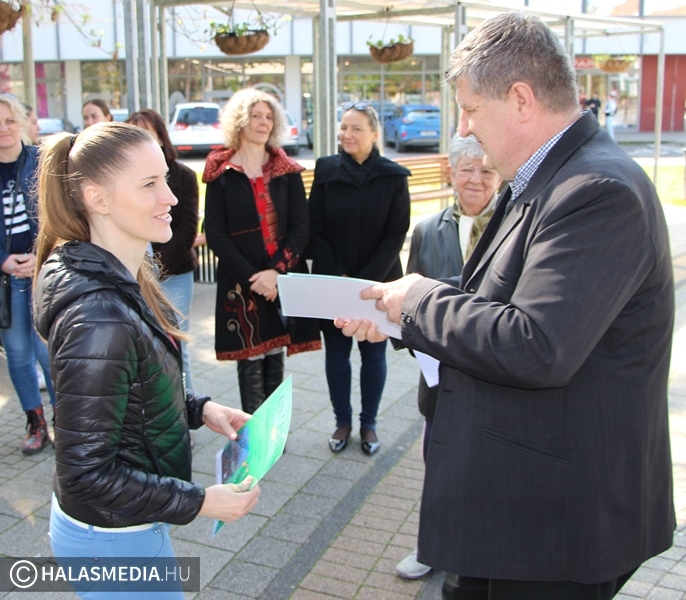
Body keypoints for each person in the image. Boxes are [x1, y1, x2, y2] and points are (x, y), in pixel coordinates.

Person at [336, 12, 674, 600]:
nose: (463, 126)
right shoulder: (550, 175)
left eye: (470, 109)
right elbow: (497, 296)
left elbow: (536, 344)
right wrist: (400, 313)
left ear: (520, 99)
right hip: (519, 508)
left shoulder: (597, 191)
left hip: (556, 528)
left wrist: (419, 300)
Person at [32, 122, 260, 598]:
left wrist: (198, 408)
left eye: (166, 179)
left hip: (120, 529)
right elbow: (85, 474)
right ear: (97, 198)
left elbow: (129, 384)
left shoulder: (113, 275)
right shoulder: (99, 317)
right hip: (114, 540)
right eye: (149, 184)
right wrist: (199, 501)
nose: (171, 198)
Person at [395, 133, 501, 580]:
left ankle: (486, 552)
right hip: (439, 378)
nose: (475, 179)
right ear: (451, 173)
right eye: (466, 169)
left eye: (486, 170)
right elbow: (408, 301)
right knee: (438, 465)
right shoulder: (426, 230)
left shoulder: (514, 227)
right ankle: (432, 547)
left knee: (492, 471)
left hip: (496, 375)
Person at [203, 88, 320, 415]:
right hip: (241, 282)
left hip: (282, 275)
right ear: (240, 120)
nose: (263, 122)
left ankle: (274, 431)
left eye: (269, 117)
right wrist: (255, 278)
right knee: (250, 355)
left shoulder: (286, 169)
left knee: (275, 353)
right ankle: (253, 433)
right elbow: (215, 233)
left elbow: (300, 227)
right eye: (256, 115)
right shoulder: (221, 171)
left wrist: (276, 273)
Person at [308, 101, 410, 455]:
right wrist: (339, 276)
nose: (346, 134)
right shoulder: (326, 170)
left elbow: (396, 234)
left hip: (379, 285)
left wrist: (366, 282)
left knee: (373, 355)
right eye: (343, 127)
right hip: (333, 280)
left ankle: (369, 425)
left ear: (374, 134)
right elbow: (315, 228)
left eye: (356, 128)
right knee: (337, 356)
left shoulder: (394, 176)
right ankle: (342, 422)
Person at [127, 108, 199, 391]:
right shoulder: (124, 180)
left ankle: (187, 405)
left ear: (161, 138)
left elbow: (187, 231)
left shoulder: (184, 176)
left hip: (174, 273)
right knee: (143, 349)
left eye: (148, 135)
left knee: (177, 345)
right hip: (132, 276)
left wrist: (154, 270)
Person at [0, 92, 55, 455]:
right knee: (18, 353)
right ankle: (36, 423)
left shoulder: (40, 161)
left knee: (49, 351)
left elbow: (60, 213)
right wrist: (3, 260)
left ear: (21, 122)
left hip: (43, 272)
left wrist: (41, 255)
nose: (3, 129)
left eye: (9, 120)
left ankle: (67, 419)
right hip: (6, 279)